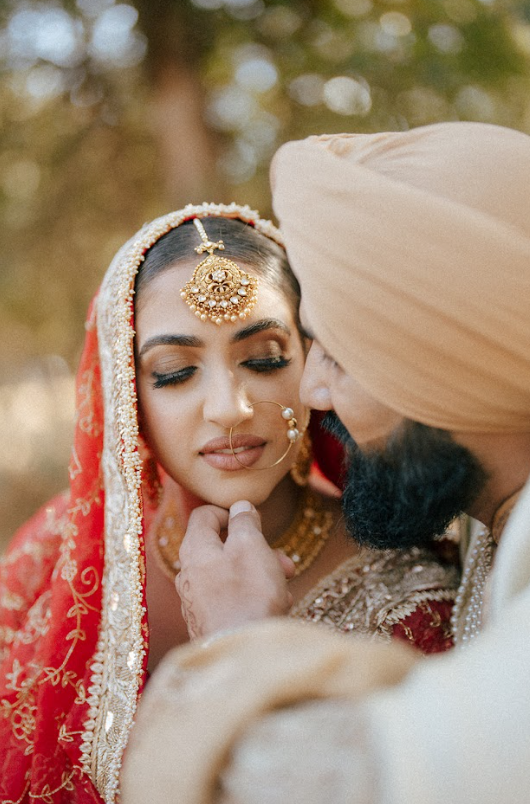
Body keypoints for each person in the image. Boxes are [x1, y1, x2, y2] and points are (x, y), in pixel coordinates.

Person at [121, 122, 530, 804]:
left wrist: (238, 643)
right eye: (172, 372)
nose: (312, 392)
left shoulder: (422, 581)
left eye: (275, 358)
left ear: (462, 360)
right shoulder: (56, 587)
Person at [0, 203, 458, 804]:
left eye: (264, 359)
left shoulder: (414, 595)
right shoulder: (58, 551)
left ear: (313, 361)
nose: (230, 408)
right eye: (173, 372)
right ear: (125, 396)